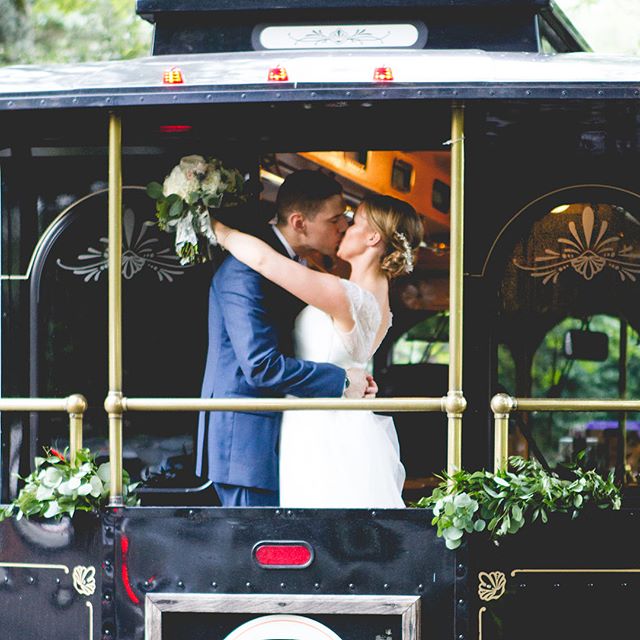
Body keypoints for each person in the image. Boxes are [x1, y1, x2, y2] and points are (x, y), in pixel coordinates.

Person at [211, 193, 424, 507]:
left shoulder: (344, 294)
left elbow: (264, 261)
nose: (344, 228)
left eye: (353, 222)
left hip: (317, 429)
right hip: (344, 427)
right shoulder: (380, 303)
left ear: (373, 237)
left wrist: (217, 229)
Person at [195, 170, 374, 507]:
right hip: (248, 445)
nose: (343, 228)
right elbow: (261, 366)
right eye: (335, 219)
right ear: (299, 222)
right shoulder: (244, 271)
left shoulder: (292, 266)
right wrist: (341, 381)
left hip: (284, 439)